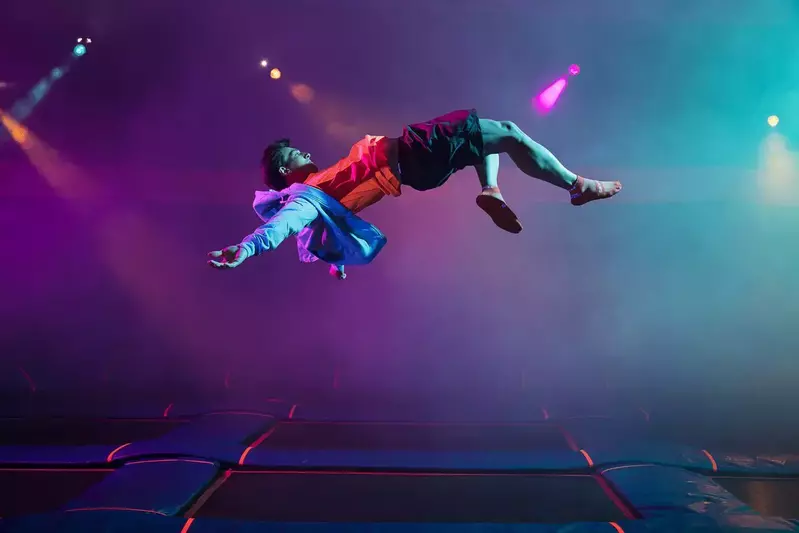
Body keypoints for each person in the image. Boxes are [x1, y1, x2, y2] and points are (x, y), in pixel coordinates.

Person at [208, 109, 621, 279]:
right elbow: (284, 226)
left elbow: (319, 234)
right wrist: (246, 249)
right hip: (412, 153)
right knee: (507, 132)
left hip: (415, 166)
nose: (306, 153)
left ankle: (491, 189)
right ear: (285, 171)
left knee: (485, 140)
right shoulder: (304, 197)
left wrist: (337, 261)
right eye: (296, 154)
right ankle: (576, 185)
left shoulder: (317, 195)